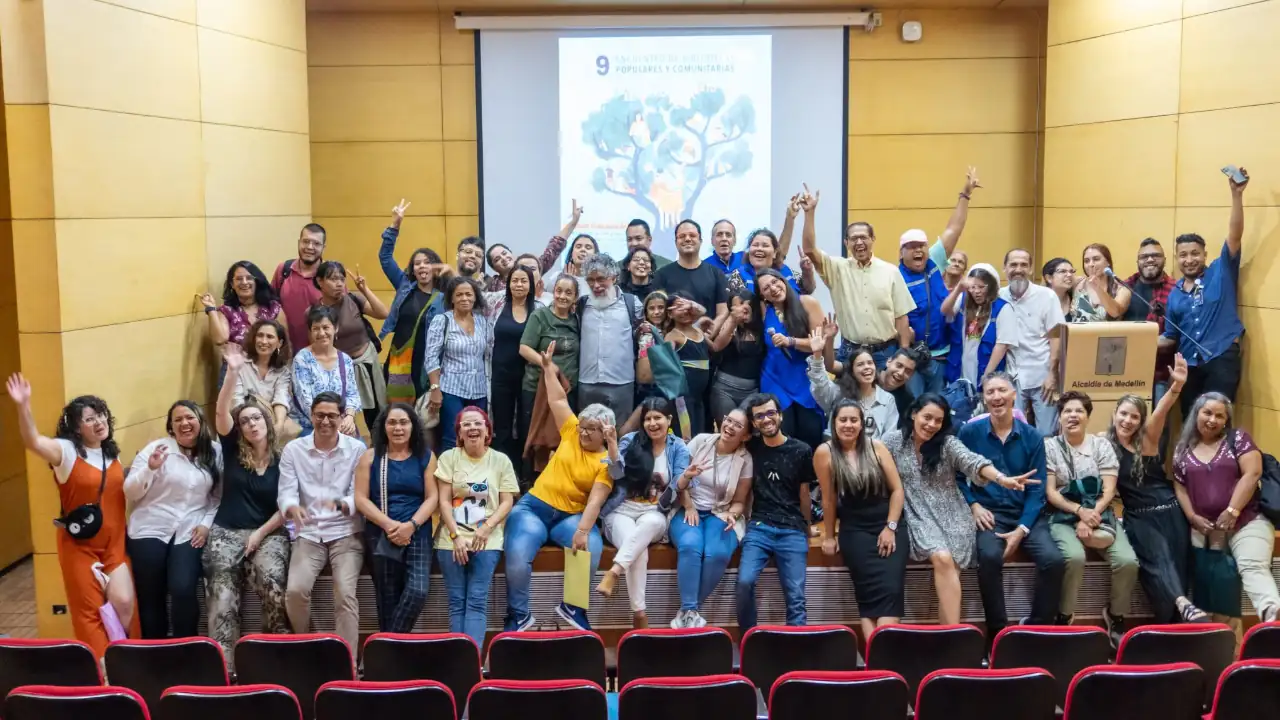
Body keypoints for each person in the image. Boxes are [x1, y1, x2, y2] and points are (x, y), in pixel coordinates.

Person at [6, 374, 136, 657]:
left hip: (114, 544)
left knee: (125, 602)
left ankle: (121, 656)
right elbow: (33, 441)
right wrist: (23, 405)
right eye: (89, 419)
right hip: (80, 546)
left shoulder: (111, 452)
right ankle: (102, 668)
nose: (98, 422)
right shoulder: (65, 452)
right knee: (89, 613)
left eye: (100, 415)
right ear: (76, 428)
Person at [883, 393, 1035, 624]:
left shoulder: (948, 444)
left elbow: (972, 461)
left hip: (955, 513)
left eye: (938, 420)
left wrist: (1001, 478)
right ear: (914, 414)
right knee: (943, 558)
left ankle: (948, 635)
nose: (931, 425)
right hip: (918, 514)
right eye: (927, 417)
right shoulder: (893, 442)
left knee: (950, 569)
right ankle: (954, 634)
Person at [503, 341, 616, 631]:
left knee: (591, 546)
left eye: (592, 429)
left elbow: (596, 500)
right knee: (518, 553)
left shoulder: (606, 461)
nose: (584, 432)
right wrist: (547, 368)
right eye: (583, 426)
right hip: (534, 508)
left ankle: (573, 608)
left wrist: (582, 531)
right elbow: (557, 400)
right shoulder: (571, 431)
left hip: (571, 517)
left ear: (606, 433)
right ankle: (519, 615)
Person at [956, 373, 1064, 640]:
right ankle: (998, 633)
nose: (996, 397)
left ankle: (1038, 629)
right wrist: (974, 505)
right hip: (989, 513)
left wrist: (1023, 528)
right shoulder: (969, 433)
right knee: (989, 558)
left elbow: (1038, 488)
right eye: (990, 392)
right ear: (984, 398)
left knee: (1054, 560)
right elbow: (956, 477)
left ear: (1014, 395)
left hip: (1028, 514)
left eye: (1002, 390)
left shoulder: (1033, 436)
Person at [1107, 356, 1208, 624]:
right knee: (1158, 560)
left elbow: (1161, 411)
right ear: (1114, 414)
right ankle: (1183, 604)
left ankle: (1178, 624)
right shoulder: (1103, 445)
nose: (1128, 420)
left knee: (1178, 567)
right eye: (1123, 414)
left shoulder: (1147, 441)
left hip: (1171, 512)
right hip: (1139, 517)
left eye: (1135, 416)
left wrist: (1176, 387)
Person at [207, 351, 289, 671]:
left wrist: (259, 534)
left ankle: (272, 659)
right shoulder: (231, 449)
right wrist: (232, 373)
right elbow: (221, 410)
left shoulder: (285, 459)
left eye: (256, 418)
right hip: (226, 532)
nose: (251, 424)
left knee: (273, 584)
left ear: (267, 422)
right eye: (245, 421)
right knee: (222, 597)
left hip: (269, 532)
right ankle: (225, 669)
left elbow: (286, 507)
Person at [1173, 392, 1280, 623]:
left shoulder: (1238, 438)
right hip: (1206, 530)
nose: (1212, 420)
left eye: (1220, 416)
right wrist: (1192, 516)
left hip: (1247, 521)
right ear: (1196, 413)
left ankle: (1272, 614)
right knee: (1216, 589)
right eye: (1207, 413)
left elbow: (1253, 473)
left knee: (1252, 566)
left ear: (1226, 420)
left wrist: (1232, 511)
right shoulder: (1182, 448)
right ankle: (1223, 640)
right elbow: (1180, 486)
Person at [1043, 391, 1139, 645]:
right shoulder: (1050, 447)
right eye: (1067, 411)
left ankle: (1116, 616)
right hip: (1063, 514)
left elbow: (1109, 489)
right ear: (1060, 417)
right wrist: (1079, 512)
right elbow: (1051, 492)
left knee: (1127, 561)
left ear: (1087, 416)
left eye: (1079, 411)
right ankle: (1065, 616)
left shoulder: (1101, 446)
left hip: (1099, 512)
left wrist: (1090, 515)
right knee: (1074, 557)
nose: (1073, 415)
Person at [279, 391, 367, 653]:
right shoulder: (294, 449)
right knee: (295, 592)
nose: (325, 421)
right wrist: (291, 507)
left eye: (331, 416)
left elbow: (359, 494)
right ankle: (307, 647)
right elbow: (286, 492)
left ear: (341, 417)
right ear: (311, 416)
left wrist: (341, 504)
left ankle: (347, 661)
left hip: (346, 531)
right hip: (309, 533)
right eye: (320, 415)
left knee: (345, 593)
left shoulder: (356, 449)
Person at [126, 401, 221, 639]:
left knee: (183, 587)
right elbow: (130, 492)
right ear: (171, 427)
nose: (184, 423)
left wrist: (206, 524)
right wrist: (150, 469)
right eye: (178, 420)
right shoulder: (157, 449)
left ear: (200, 421)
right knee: (150, 594)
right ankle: (155, 650)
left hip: (191, 528)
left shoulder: (215, 451)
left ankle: (185, 647)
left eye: (189, 417)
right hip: (149, 526)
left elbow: (218, 497)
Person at [1160, 168, 1250, 413]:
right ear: (1177, 259)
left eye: (1195, 254)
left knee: (1217, 420)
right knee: (1190, 422)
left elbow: (1235, 235)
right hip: (1189, 366)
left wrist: (1236, 195)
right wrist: (1139, 340)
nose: (1189, 260)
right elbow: (1170, 336)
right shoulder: (1174, 294)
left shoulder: (1221, 271)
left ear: (1205, 255)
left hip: (1221, 358)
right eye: (1183, 255)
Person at [597, 398, 690, 629]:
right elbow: (616, 474)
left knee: (648, 526)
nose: (652, 423)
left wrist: (686, 479)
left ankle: (615, 571)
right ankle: (639, 614)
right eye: (648, 418)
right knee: (637, 548)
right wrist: (612, 444)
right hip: (621, 510)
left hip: (655, 511)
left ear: (669, 419)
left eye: (658, 417)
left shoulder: (678, 447)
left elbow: (678, 484)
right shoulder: (630, 440)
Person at [817, 400, 907, 639]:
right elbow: (828, 499)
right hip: (855, 530)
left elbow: (897, 490)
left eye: (853, 420)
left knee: (891, 591)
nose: (848, 425)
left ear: (862, 423)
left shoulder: (877, 447)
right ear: (834, 423)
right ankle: (876, 656)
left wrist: (890, 527)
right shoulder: (825, 452)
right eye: (843, 420)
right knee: (867, 598)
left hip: (888, 525)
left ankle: (883, 653)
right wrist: (829, 536)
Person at [799, 189, 915, 368]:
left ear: (873, 239)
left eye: (863, 237)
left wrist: (903, 356)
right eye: (854, 239)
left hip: (886, 353)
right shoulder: (837, 269)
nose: (859, 242)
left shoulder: (891, 271)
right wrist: (809, 213)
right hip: (851, 353)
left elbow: (902, 318)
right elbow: (809, 249)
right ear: (846, 243)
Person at [435, 407, 518, 649]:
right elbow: (443, 501)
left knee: (476, 601)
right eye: (466, 424)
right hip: (451, 539)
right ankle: (457, 659)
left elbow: (507, 502)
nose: (472, 428)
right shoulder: (448, 458)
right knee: (456, 601)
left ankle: (471, 660)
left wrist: (487, 527)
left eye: (478, 423)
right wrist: (455, 536)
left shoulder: (501, 460)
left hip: (487, 539)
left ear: (487, 431)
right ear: (459, 433)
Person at [354, 403, 439, 633]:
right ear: (383, 427)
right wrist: (389, 524)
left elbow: (432, 497)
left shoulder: (426, 457)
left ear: (413, 426)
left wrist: (411, 525)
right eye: (392, 423)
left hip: (417, 531)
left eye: (403, 422)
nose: (398, 428)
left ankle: (386, 644)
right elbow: (360, 499)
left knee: (417, 591)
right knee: (387, 599)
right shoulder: (370, 457)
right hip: (381, 531)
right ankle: (393, 652)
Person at [897, 167, 982, 395]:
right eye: (911, 247)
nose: (918, 251)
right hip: (912, 358)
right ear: (901, 252)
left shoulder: (934, 261)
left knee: (938, 407)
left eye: (921, 246)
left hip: (942, 356)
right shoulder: (894, 277)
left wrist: (965, 194)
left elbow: (954, 228)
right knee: (915, 407)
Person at [666, 408, 753, 629]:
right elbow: (679, 479)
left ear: (745, 436)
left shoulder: (745, 459)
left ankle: (688, 612)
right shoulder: (700, 441)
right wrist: (688, 505)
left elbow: (739, 501)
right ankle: (690, 612)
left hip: (720, 512)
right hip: (687, 506)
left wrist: (733, 515)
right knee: (690, 545)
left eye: (737, 425)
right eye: (728, 420)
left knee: (718, 553)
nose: (729, 426)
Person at [736, 393, 816, 630]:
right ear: (754, 422)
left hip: (792, 528)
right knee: (744, 582)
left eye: (771, 413)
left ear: (780, 415)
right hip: (759, 527)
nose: (766, 419)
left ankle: (796, 643)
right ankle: (749, 639)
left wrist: (807, 527)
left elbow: (804, 493)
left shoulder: (801, 450)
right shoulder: (751, 447)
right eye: (759, 416)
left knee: (796, 596)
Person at [379, 199, 447, 405]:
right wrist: (395, 225)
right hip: (399, 358)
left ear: (436, 267)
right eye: (417, 263)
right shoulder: (404, 285)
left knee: (426, 414)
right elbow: (385, 257)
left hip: (428, 364)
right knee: (398, 411)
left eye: (427, 262)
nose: (422, 266)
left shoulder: (445, 296)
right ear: (412, 269)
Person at [313, 261, 390, 429]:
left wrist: (364, 289)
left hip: (367, 361)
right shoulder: (315, 312)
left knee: (377, 414)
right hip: (340, 368)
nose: (339, 283)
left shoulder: (353, 299)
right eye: (333, 279)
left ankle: (378, 443)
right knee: (343, 413)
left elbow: (383, 313)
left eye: (342, 279)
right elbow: (316, 346)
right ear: (320, 281)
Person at [997, 249, 1066, 436]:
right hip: (1011, 376)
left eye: (1023, 265)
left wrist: (1052, 373)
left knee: (1046, 433)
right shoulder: (998, 296)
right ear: (1004, 268)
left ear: (1030, 269)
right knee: (1012, 432)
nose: (1018, 269)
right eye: (1013, 264)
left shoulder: (1046, 296)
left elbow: (1056, 335)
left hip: (1041, 373)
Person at [755, 269, 826, 448]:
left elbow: (820, 344)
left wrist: (791, 341)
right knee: (782, 435)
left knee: (811, 432)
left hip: (804, 377)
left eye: (774, 282)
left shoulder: (807, 302)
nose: (773, 288)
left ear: (783, 280)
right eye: (766, 288)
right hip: (774, 379)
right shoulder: (764, 311)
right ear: (762, 296)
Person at [1123, 238, 1178, 456]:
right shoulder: (1125, 287)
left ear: (1164, 259)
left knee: (1158, 424)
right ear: (1137, 261)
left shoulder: (1175, 290)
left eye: (1155, 255)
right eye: (1144, 256)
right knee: (1124, 421)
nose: (1150, 260)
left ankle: (1154, 469)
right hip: (1126, 371)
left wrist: (1138, 345)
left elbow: (1174, 336)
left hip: (1160, 372)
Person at [518, 275, 582, 458]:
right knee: (536, 441)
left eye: (568, 293)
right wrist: (546, 364)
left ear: (575, 297)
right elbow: (524, 348)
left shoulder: (576, 320)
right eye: (559, 291)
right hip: (537, 389)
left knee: (563, 440)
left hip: (566, 391)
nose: (562, 296)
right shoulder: (540, 316)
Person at [425, 276, 492, 451]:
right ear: (452, 298)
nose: (464, 298)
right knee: (452, 437)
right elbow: (431, 357)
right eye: (459, 295)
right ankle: (449, 469)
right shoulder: (442, 321)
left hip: (479, 390)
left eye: (469, 294)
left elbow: (488, 354)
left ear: (475, 297)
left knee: (478, 437)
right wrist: (435, 389)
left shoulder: (483, 322)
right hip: (451, 389)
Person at [578, 253, 643, 421]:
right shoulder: (581, 305)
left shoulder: (632, 304)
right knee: (588, 432)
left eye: (601, 279)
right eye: (590, 280)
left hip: (622, 382)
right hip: (587, 382)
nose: (596, 285)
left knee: (621, 432)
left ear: (614, 277)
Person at [491, 266, 540, 470]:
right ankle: (502, 471)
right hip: (500, 376)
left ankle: (524, 472)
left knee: (525, 425)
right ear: (508, 283)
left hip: (529, 378)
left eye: (524, 281)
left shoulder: (540, 309)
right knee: (501, 425)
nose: (519, 285)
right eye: (515, 280)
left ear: (531, 285)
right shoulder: (495, 304)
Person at [807, 332, 898, 439]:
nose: (867, 367)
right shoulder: (839, 393)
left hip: (874, 449)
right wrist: (817, 355)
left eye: (870, 363)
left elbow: (890, 436)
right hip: (838, 447)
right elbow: (820, 385)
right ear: (852, 372)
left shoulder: (887, 399)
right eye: (860, 364)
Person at [289, 305, 361, 437]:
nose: (321, 333)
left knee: (359, 446)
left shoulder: (345, 360)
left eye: (326, 327)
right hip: (310, 425)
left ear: (336, 328)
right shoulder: (302, 359)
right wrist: (331, 423)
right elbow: (305, 401)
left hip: (341, 424)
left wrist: (349, 417)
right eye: (316, 328)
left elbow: (352, 394)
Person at [483, 200, 579, 293]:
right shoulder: (492, 285)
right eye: (497, 259)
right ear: (494, 269)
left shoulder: (531, 269)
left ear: (511, 253)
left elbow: (555, 246)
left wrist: (573, 222)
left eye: (504, 253)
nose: (503, 258)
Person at [942, 263, 1008, 387]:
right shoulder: (964, 300)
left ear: (991, 287)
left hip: (985, 367)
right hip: (960, 366)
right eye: (972, 287)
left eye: (981, 287)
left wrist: (987, 375)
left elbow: (1002, 345)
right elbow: (945, 310)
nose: (976, 292)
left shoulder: (1002, 308)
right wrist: (958, 289)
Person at [653, 219, 729, 325]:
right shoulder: (661, 275)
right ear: (675, 242)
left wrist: (708, 333)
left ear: (700, 241)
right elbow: (657, 312)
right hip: (673, 334)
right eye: (682, 236)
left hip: (708, 334)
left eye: (692, 235)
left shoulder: (716, 274)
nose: (687, 239)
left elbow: (723, 312)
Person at [200, 260, 285, 351]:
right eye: (239, 279)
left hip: (269, 360)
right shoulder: (227, 311)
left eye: (249, 278)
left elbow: (284, 342)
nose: (244, 282)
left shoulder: (273, 308)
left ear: (256, 281)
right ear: (232, 284)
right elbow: (219, 339)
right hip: (238, 360)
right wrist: (211, 309)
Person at [708, 290, 764, 424]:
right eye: (737, 305)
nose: (742, 308)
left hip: (751, 391)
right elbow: (717, 346)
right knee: (728, 427)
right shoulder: (730, 326)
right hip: (725, 389)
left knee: (747, 428)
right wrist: (733, 320)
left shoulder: (761, 328)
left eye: (746, 303)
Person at [231, 319, 293, 437]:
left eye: (270, 337)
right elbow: (236, 403)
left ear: (279, 343)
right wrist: (251, 426)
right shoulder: (239, 364)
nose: (264, 341)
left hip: (270, 425)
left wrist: (279, 425)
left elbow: (281, 399)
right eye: (260, 335)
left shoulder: (283, 372)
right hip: (241, 425)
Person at [272, 223, 327, 354]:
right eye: (306, 241)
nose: (310, 247)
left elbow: (340, 314)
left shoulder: (330, 275)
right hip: (285, 353)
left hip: (319, 354)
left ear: (323, 248)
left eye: (316, 243)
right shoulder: (283, 270)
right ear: (299, 242)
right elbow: (270, 306)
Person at [663, 291, 712, 436]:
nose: (685, 311)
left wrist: (691, 305)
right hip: (683, 396)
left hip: (699, 396)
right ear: (670, 314)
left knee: (699, 433)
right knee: (686, 433)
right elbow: (665, 366)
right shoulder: (672, 336)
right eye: (679, 308)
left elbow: (702, 311)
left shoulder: (697, 330)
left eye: (688, 308)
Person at [725, 225, 811, 296]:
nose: (759, 249)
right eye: (755, 245)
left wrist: (807, 271)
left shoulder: (787, 271)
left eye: (765, 245)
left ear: (775, 253)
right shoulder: (738, 276)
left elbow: (809, 289)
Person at [1074, 243, 1131, 321]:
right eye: (1086, 261)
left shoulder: (1122, 290)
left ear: (1108, 262)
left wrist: (1098, 288)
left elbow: (1115, 312)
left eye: (1096, 259)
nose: (1091, 264)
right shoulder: (1078, 283)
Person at [548, 234, 600, 298]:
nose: (583, 249)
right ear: (571, 253)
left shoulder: (599, 281)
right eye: (578, 247)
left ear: (595, 255)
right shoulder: (557, 277)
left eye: (588, 247)